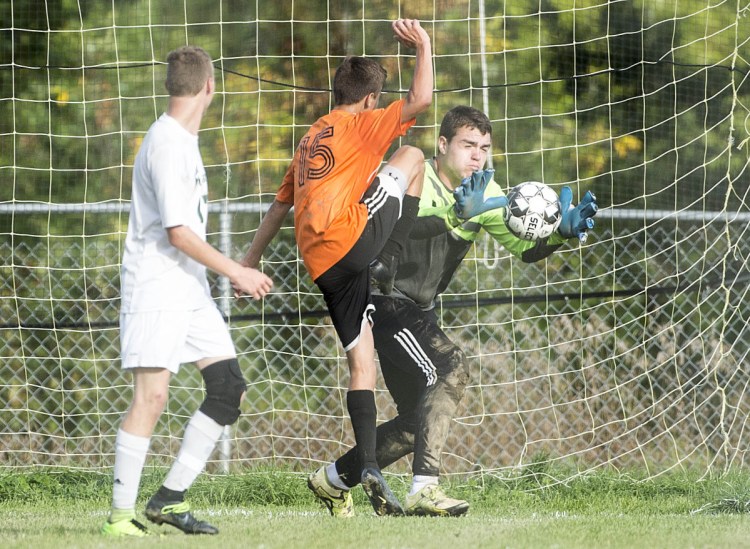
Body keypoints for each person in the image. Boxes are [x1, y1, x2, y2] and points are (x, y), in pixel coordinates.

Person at [308, 105, 598, 517]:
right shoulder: (412, 175)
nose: (477, 155)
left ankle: (333, 480)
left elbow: (526, 251)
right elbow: (392, 228)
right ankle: (424, 488)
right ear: (442, 145)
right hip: (380, 300)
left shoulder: (489, 193)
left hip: (417, 311)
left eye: (484, 147)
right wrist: (458, 213)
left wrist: (560, 236)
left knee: (415, 423)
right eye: (467, 145)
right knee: (451, 367)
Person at [239, 19, 433, 516]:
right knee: (413, 155)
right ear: (369, 100)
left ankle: (365, 467)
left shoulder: (308, 141)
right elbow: (421, 99)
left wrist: (247, 261)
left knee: (360, 362)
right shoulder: (363, 125)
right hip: (352, 242)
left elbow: (280, 207)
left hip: (322, 265)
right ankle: (389, 260)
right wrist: (424, 46)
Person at [101, 45, 273, 538]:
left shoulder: (183, 139)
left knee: (228, 387)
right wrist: (236, 272)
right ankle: (119, 518)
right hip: (156, 286)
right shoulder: (168, 143)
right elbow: (178, 233)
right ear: (209, 88)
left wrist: (222, 272)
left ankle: (169, 498)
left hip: (189, 289)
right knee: (151, 397)